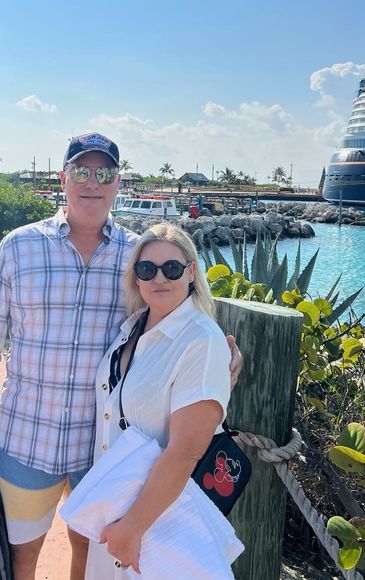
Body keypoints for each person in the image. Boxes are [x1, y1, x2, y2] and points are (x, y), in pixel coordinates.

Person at [0, 133, 242, 580]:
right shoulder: (17, 247)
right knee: (20, 558)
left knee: (90, 559)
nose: (93, 182)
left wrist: (216, 351)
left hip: (101, 447)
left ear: (117, 182)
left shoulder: (135, 256)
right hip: (24, 437)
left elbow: (171, 320)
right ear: (63, 178)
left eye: (105, 173)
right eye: (81, 171)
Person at [72, 222, 243, 578]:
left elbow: (185, 451)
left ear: (192, 272)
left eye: (172, 268)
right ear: (136, 276)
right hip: (115, 503)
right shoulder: (132, 327)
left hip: (153, 518)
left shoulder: (201, 339)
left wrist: (133, 527)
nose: (159, 278)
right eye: (147, 269)